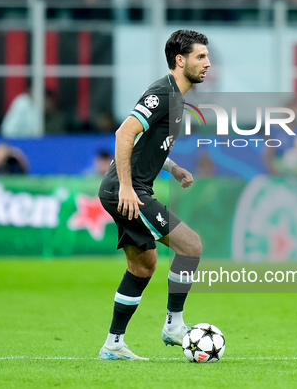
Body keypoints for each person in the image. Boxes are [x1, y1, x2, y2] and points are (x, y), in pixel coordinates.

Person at [97, 29, 210, 361]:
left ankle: (113, 345)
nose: (207, 63)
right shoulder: (162, 93)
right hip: (125, 190)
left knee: (143, 266)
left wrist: (172, 168)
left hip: (123, 189)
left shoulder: (178, 98)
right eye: (200, 56)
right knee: (191, 246)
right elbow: (124, 133)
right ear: (180, 60)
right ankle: (174, 326)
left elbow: (147, 144)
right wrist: (129, 188)